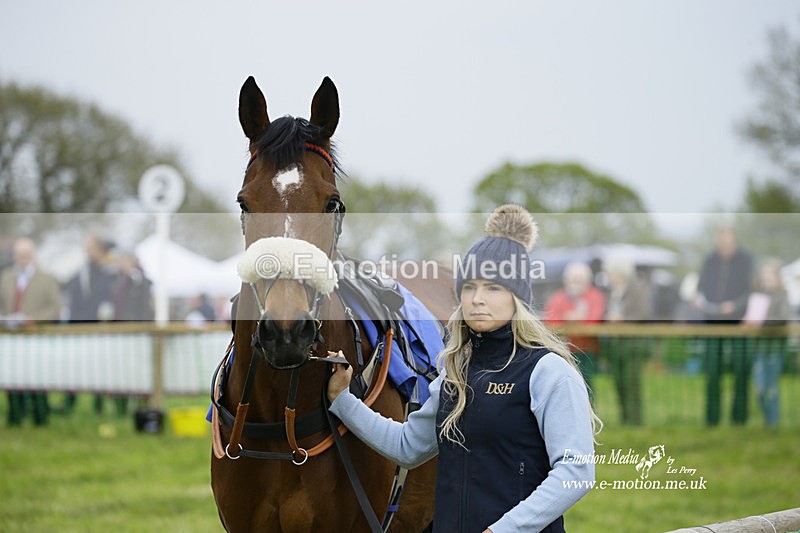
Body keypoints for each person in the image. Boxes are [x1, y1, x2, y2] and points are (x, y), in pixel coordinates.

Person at [327, 205, 600, 533]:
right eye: (469, 287)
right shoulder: (454, 373)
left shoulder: (548, 371)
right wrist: (343, 400)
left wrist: (503, 530)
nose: (477, 299)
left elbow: (576, 472)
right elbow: (407, 447)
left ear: (518, 298)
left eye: (493, 287)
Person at [692, 227, 753, 425]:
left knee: (741, 371)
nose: (724, 247)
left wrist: (735, 305)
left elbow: (751, 291)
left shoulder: (746, 261)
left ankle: (739, 419)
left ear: (734, 242)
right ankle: (712, 419)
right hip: (712, 322)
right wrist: (700, 299)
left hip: (738, 324)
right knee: (712, 371)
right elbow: (700, 286)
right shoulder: (710, 260)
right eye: (721, 243)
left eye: (727, 243)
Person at [0, 237, 62, 426]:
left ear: (33, 255)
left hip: (36, 336)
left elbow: (55, 307)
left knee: (38, 377)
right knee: (12, 376)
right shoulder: (6, 277)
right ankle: (15, 416)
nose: (23, 259)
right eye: (19, 255)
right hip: (11, 337)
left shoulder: (47, 278)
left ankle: (40, 416)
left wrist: (33, 318)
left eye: (26, 255)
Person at [63, 234, 116, 414]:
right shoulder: (81, 273)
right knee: (73, 366)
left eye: (91, 247)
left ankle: (98, 405)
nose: (87, 250)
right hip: (79, 326)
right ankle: (69, 402)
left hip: (100, 327)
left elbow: (110, 298)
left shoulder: (109, 271)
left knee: (98, 366)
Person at [543, 261, 606, 401]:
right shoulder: (559, 297)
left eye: (579, 280)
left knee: (586, 382)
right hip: (563, 349)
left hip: (587, 349)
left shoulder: (595, 296)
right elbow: (551, 320)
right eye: (573, 280)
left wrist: (572, 319)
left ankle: (590, 415)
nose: (575, 283)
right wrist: (570, 318)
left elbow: (594, 320)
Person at [601, 255, 652, 425]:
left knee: (632, 384)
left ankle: (635, 421)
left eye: (611, 273)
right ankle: (624, 419)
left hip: (632, 345)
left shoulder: (637, 290)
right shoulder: (611, 293)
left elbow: (643, 314)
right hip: (615, 345)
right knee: (619, 383)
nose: (609, 276)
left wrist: (622, 319)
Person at [744, 259, 791, 427]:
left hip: (775, 348)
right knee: (760, 388)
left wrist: (762, 322)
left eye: (770, 275)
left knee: (771, 387)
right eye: (764, 275)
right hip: (759, 347)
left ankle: (773, 423)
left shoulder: (782, 295)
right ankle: (767, 419)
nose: (766, 279)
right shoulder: (757, 295)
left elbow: (783, 319)